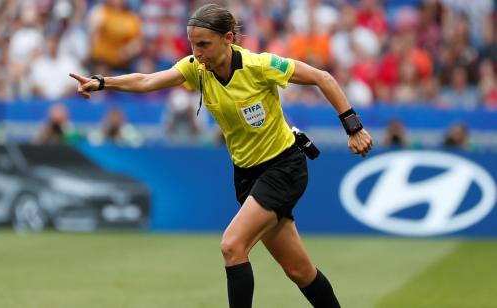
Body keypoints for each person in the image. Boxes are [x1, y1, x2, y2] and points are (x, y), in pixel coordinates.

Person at [69, 4, 372, 307]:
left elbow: (324, 78)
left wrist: (354, 128)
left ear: (228, 38)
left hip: (283, 166)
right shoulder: (196, 69)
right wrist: (103, 82)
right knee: (299, 270)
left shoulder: (260, 66)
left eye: (204, 44)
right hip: (246, 176)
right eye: (192, 44)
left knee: (232, 245)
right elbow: (148, 81)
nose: (197, 52)